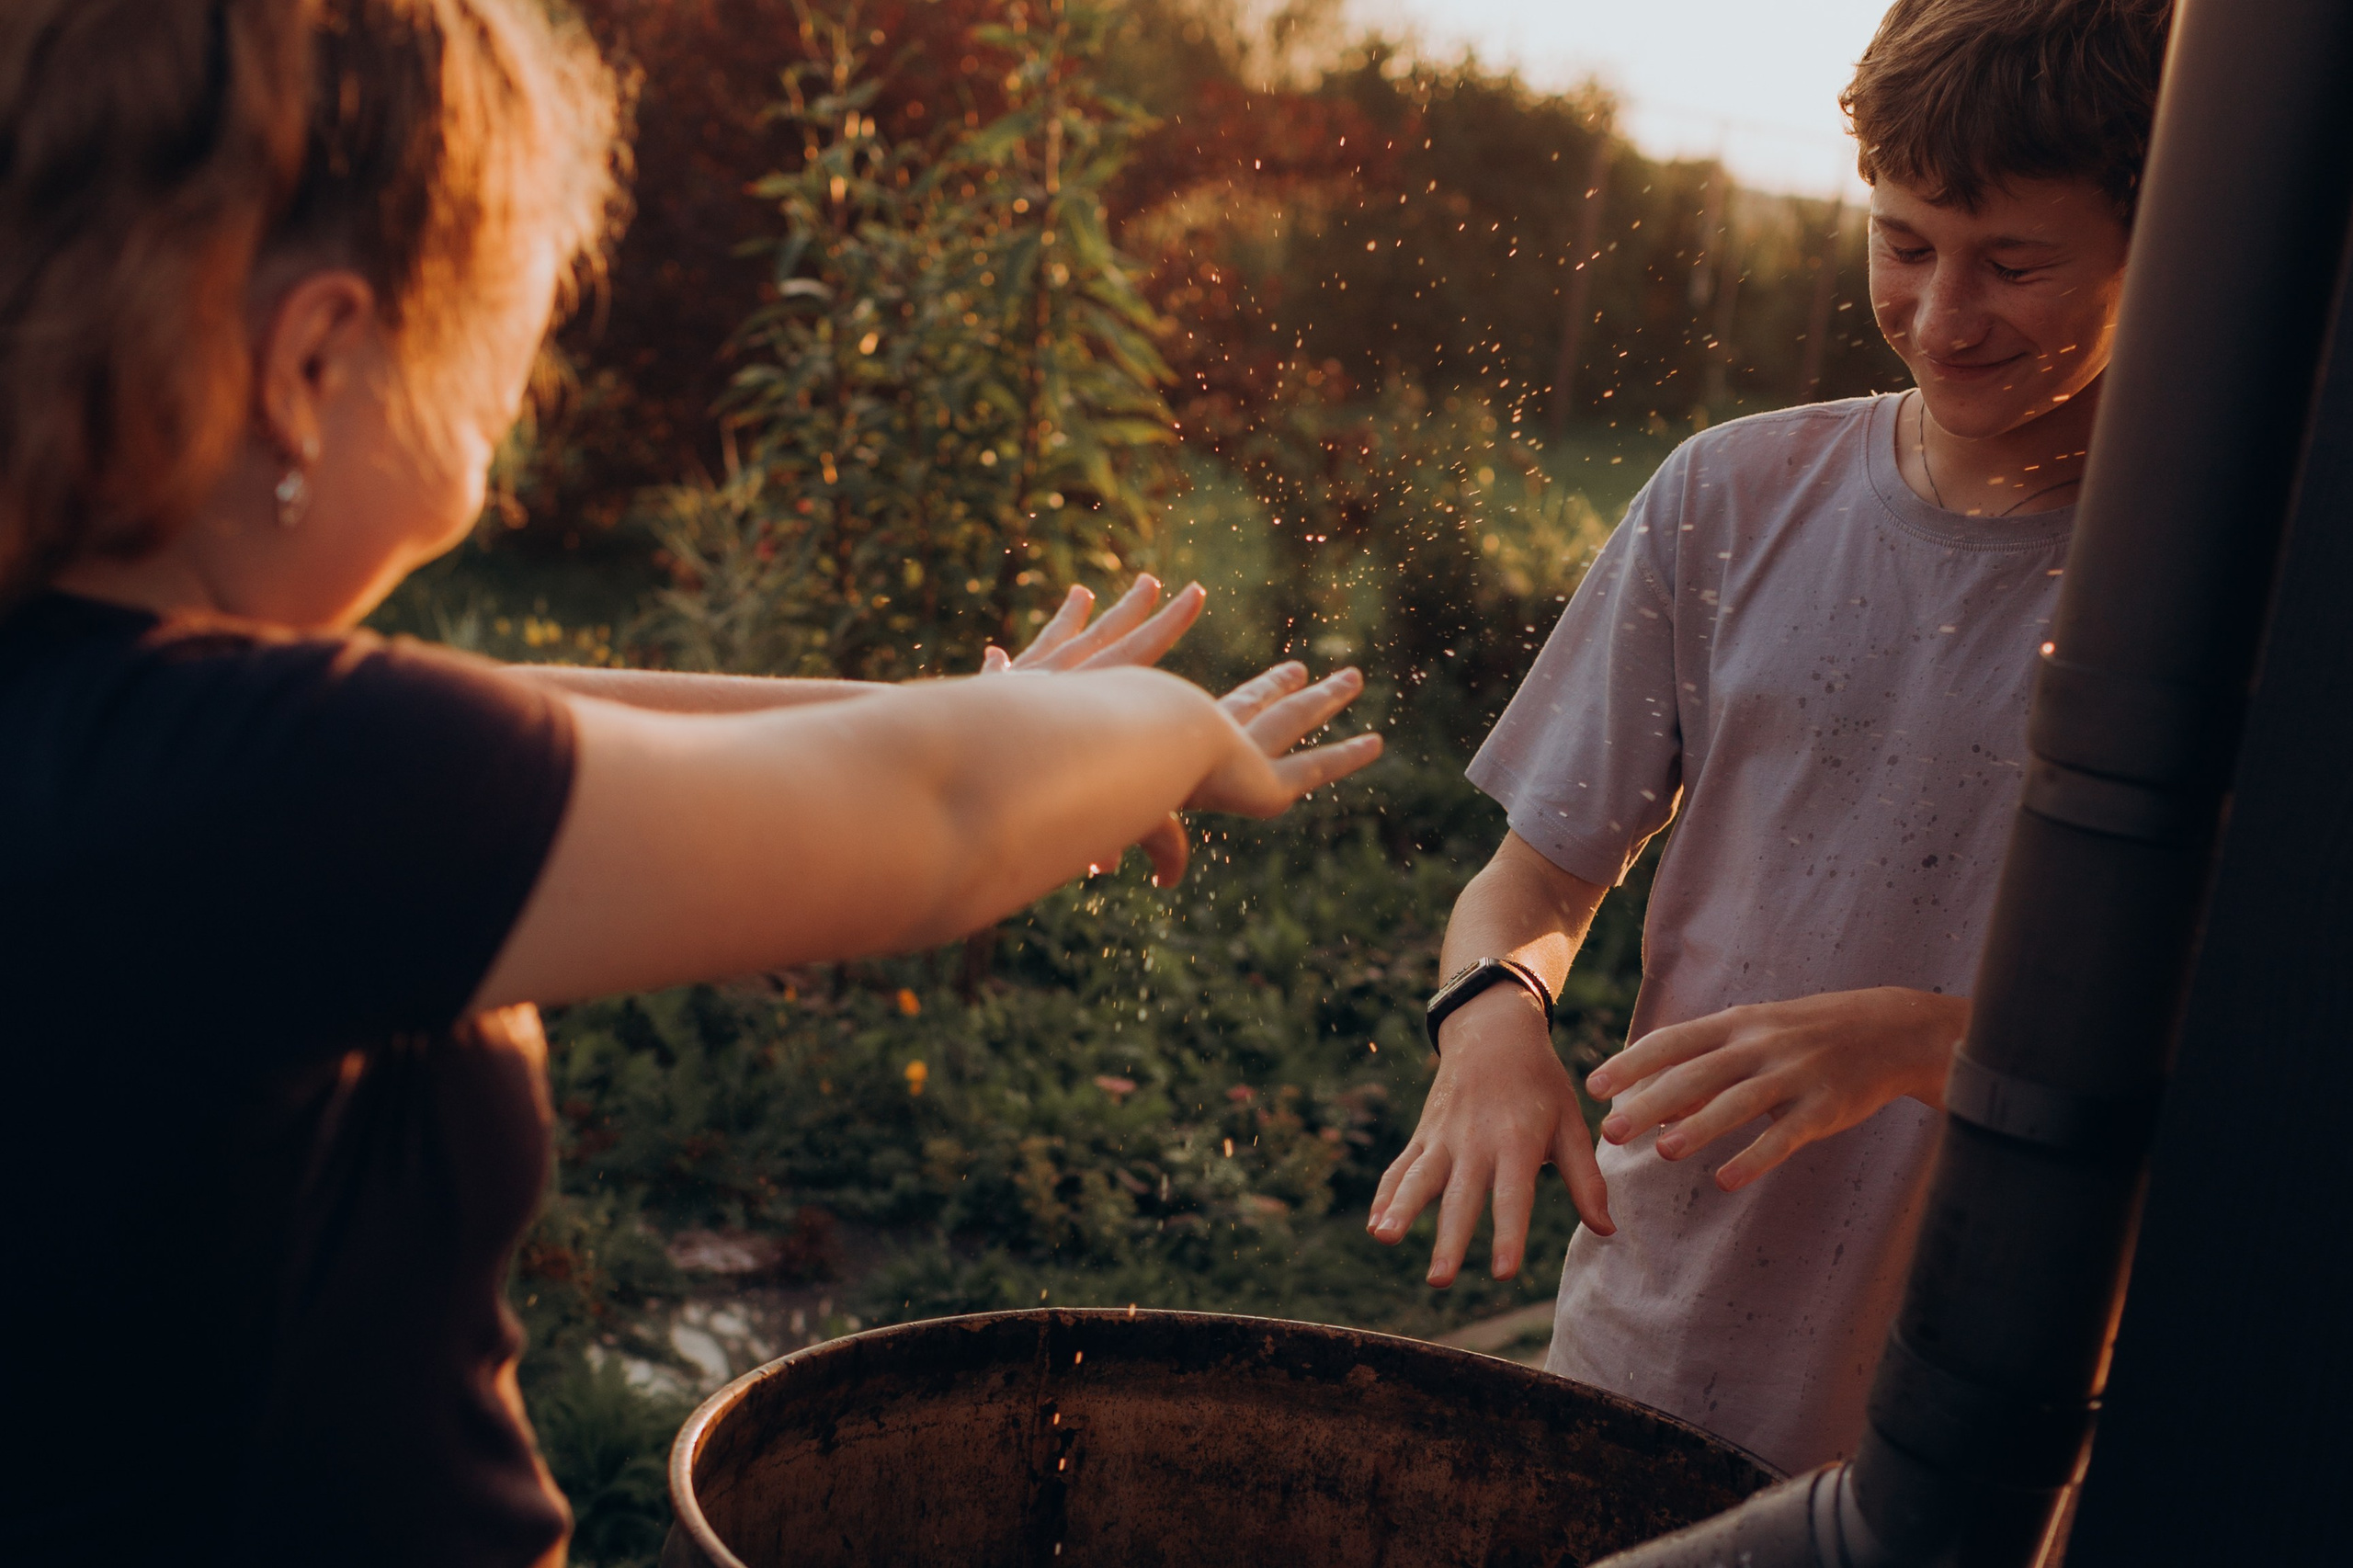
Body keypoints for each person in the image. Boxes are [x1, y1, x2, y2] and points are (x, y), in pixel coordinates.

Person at [0, 2, 1379, 1563]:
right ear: (314, 357)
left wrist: (959, 712)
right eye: (502, 329)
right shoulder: (271, 782)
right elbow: (940, 827)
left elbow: (528, 714)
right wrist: (1168, 722)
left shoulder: (111, 729)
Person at [1369, 0, 2170, 1474]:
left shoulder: (2206, 586)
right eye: (1907, 242)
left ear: (2157, 242)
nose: (1941, 315)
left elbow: (2243, 1043)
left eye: (2014, 263)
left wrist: (1927, 1043)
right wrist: (1489, 1010)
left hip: (1984, 1400)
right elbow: (1533, 884)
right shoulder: (1726, 499)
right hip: (1654, 1335)